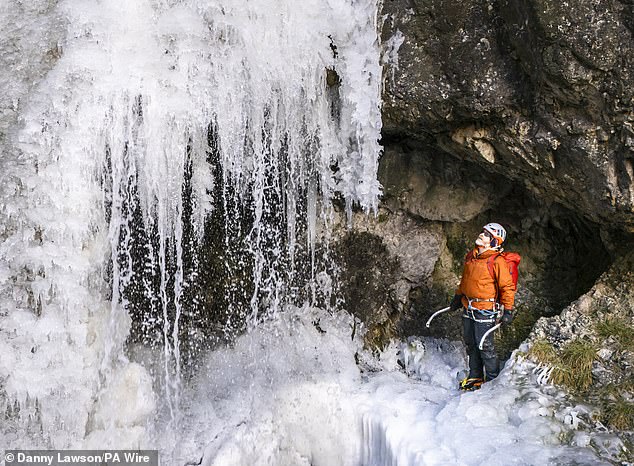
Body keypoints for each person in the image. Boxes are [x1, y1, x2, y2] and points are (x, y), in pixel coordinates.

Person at [449, 223, 516, 391]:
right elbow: (465, 280)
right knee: (471, 343)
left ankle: (492, 382)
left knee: (484, 345)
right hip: (468, 307)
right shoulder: (471, 256)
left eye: (487, 234)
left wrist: (508, 310)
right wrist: (458, 296)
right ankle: (475, 376)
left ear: (494, 241)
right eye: (483, 231)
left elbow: (507, 287)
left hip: (485, 309)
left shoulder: (497, 262)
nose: (481, 234)